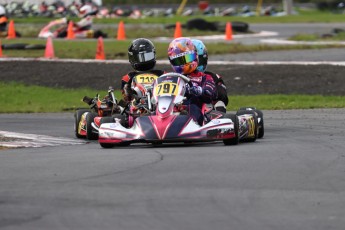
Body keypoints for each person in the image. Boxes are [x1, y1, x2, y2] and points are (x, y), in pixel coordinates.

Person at [167, 37, 217, 126]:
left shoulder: (204, 77)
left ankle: (191, 124)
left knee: (191, 105)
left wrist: (198, 90)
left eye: (187, 58)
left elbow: (210, 93)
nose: (183, 63)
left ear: (195, 56)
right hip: (171, 109)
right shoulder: (170, 78)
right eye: (178, 60)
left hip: (194, 109)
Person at [121, 38, 165, 103]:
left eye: (148, 56)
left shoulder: (162, 74)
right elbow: (125, 99)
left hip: (159, 103)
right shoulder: (128, 77)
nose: (145, 61)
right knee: (121, 104)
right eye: (140, 57)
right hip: (138, 107)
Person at [191, 39, 228, 113]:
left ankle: (220, 120)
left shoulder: (212, 77)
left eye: (196, 60)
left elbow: (222, 96)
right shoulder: (179, 77)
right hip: (184, 110)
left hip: (205, 112)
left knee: (219, 103)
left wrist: (204, 91)